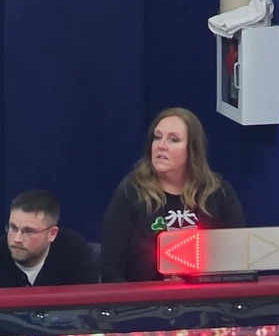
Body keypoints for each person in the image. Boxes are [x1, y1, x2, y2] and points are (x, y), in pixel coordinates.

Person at [100, 107, 245, 283]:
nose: (161, 146)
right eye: (157, 137)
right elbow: (110, 267)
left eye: (173, 140)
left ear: (192, 150)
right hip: (146, 304)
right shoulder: (131, 192)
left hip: (208, 300)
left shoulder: (218, 192)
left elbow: (239, 259)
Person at [0, 190, 99, 289]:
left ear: (52, 234)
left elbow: (91, 313)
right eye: (13, 228)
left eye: (28, 231)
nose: (17, 239)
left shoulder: (74, 251)